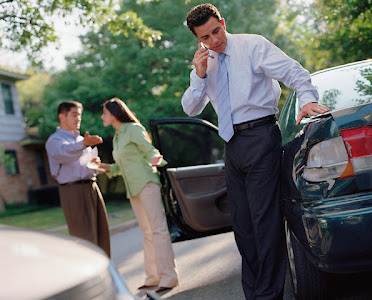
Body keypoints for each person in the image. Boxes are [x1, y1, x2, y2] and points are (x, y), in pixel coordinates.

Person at [182, 4, 330, 300]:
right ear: (198, 39)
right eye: (206, 37)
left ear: (223, 22)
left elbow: (293, 71)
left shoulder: (252, 46)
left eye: (216, 31)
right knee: (244, 227)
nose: (214, 40)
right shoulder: (204, 63)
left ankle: (269, 295)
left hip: (261, 136)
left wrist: (307, 99)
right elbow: (190, 107)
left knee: (266, 223)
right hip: (232, 145)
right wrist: (198, 76)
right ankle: (255, 294)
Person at [97, 98, 179, 293]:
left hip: (146, 184)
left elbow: (149, 151)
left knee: (158, 230)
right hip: (133, 188)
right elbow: (123, 165)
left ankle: (169, 277)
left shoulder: (133, 129)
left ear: (114, 114)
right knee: (148, 234)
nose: (102, 117)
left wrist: (156, 159)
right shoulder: (118, 136)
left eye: (105, 113)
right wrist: (107, 167)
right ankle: (153, 277)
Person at [45, 101, 111, 257]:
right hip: (73, 191)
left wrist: (95, 164)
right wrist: (83, 144)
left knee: (102, 235)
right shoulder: (54, 141)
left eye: (79, 115)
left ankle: (106, 275)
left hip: (92, 188)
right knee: (84, 238)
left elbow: (81, 162)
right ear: (62, 116)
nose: (78, 119)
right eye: (74, 115)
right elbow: (64, 153)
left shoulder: (82, 140)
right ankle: (90, 277)